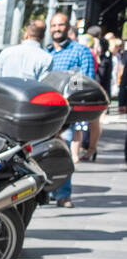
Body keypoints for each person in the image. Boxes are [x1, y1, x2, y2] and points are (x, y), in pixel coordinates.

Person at [46, 12, 96, 204]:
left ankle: (63, 194)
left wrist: (68, 90)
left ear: (68, 27)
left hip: (66, 112)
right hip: (45, 110)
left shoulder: (80, 51)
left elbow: (85, 80)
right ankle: (47, 191)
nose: (57, 29)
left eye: (60, 25)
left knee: (63, 153)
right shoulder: (47, 52)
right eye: (54, 26)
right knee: (44, 153)